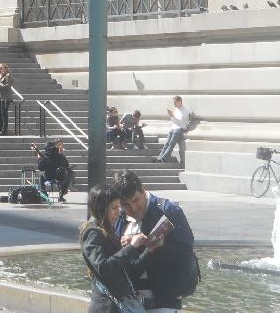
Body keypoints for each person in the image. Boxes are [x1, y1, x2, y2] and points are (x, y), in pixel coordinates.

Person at [113, 170, 197, 312]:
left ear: (143, 190)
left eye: (135, 200)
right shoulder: (120, 218)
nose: (132, 208)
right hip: (129, 302)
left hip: (164, 300)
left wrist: (158, 245)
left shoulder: (168, 211)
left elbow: (186, 251)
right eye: (125, 204)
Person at [79, 185, 150, 313]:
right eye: (114, 207)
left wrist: (150, 249)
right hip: (106, 306)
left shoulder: (109, 232)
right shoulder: (92, 232)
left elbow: (130, 270)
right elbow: (104, 268)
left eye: (119, 207)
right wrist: (132, 247)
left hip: (117, 305)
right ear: (102, 208)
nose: (119, 212)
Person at [153, 96, 189, 164]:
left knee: (171, 144)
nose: (174, 104)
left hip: (179, 128)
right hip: (173, 128)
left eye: (175, 103)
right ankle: (159, 158)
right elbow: (173, 120)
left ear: (179, 102)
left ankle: (164, 158)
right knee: (166, 143)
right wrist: (171, 116)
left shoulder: (185, 111)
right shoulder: (176, 109)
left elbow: (181, 122)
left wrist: (173, 116)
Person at [0, 63, 15, 135]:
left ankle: (4, 130)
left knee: (4, 114)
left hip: (6, 97)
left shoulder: (8, 75)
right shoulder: (2, 76)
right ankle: (0, 128)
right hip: (0, 97)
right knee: (0, 113)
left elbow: (8, 86)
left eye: (0, 69)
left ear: (5, 68)